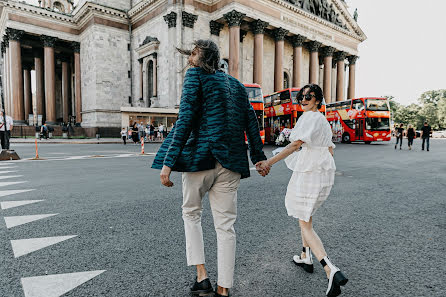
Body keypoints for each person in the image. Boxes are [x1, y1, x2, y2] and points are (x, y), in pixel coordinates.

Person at [151, 40, 267, 297]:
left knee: (191, 213)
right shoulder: (237, 86)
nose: (190, 59)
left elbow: (186, 118)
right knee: (226, 226)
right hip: (231, 163)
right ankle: (224, 289)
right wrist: (258, 157)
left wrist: (168, 163)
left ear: (203, 57)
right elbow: (251, 122)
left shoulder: (196, 75)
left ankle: (202, 276)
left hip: (200, 160)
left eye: (193, 53)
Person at [256, 84, 348, 297]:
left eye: (309, 96)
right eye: (301, 96)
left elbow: (293, 145)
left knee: (305, 224)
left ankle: (330, 269)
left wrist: (269, 162)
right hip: (322, 173)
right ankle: (305, 256)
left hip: (309, 174)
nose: (304, 99)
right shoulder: (323, 120)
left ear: (318, 99)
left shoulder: (309, 118)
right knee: (305, 216)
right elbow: (330, 150)